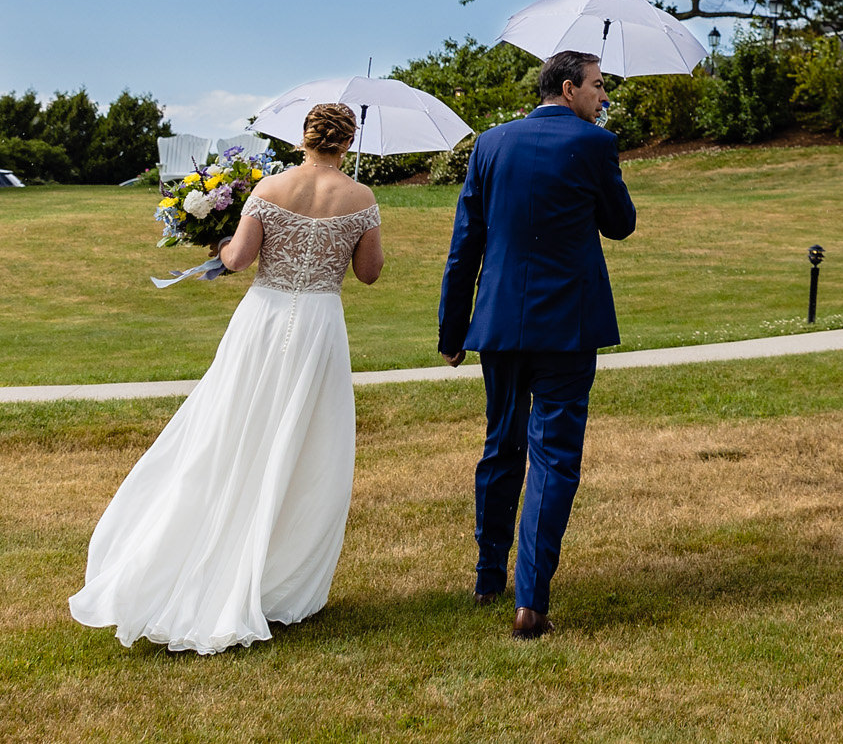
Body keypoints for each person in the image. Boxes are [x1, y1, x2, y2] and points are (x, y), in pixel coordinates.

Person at [71, 103, 383, 654]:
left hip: (262, 322)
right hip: (318, 324)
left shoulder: (269, 188)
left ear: (302, 137)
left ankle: (212, 556)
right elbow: (369, 273)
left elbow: (238, 260)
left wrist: (214, 240)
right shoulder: (361, 199)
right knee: (308, 443)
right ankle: (276, 577)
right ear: (347, 141)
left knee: (231, 429)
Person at [438, 50, 637, 640]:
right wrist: (603, 158)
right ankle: (531, 600)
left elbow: (464, 243)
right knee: (553, 457)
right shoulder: (595, 145)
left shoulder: (490, 144)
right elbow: (621, 223)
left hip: (499, 322)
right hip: (569, 327)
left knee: (501, 444)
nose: (604, 97)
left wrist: (453, 331)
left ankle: (487, 575)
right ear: (570, 87)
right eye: (599, 87)